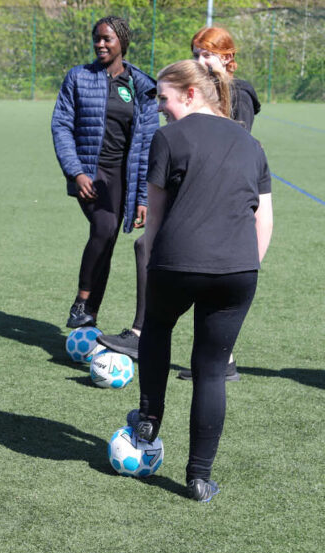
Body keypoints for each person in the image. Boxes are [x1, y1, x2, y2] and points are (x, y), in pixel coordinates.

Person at [126, 59, 273, 502]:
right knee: (211, 371)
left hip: (178, 262)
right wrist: (244, 264)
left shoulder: (168, 139)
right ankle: (199, 478)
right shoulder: (251, 143)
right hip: (238, 270)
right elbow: (263, 222)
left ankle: (149, 418)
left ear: (191, 94)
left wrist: (154, 266)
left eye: (166, 99)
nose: (162, 109)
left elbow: (154, 220)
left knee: (156, 328)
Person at [99, 26, 261, 382]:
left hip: (216, 197)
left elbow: (234, 145)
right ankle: (210, 355)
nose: (200, 59)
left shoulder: (239, 94)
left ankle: (148, 336)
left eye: (208, 53)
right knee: (150, 249)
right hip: (189, 186)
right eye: (195, 52)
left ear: (227, 57)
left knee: (163, 255)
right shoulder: (191, 98)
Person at [51, 16, 158, 329]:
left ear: (122, 42)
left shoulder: (143, 86)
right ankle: (82, 301)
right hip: (91, 174)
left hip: (125, 178)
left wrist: (143, 197)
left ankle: (90, 316)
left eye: (107, 39)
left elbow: (150, 143)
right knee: (105, 227)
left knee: (107, 238)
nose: (100, 44)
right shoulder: (78, 78)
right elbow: (61, 126)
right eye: (96, 39)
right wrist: (76, 172)